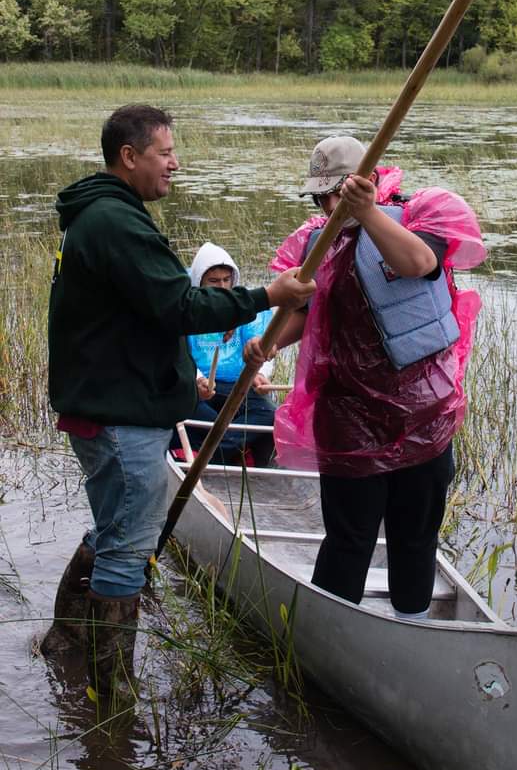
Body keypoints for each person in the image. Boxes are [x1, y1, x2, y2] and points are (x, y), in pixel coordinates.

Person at [41, 104, 314, 699]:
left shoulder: (101, 214)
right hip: (122, 414)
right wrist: (268, 294)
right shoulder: (115, 222)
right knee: (128, 551)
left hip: (105, 405)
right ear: (129, 156)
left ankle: (63, 643)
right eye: (165, 152)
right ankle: (111, 698)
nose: (175, 163)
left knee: (113, 530)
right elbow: (182, 307)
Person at [245, 135, 485, 621]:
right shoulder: (313, 245)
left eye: (342, 192)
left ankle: (414, 628)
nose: (332, 206)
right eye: (324, 197)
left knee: (414, 534)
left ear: (370, 181)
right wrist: (268, 344)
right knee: (350, 537)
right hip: (348, 417)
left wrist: (368, 212)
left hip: (422, 415)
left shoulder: (424, 215)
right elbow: (303, 314)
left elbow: (419, 264)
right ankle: (330, 631)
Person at [177, 241, 277, 466]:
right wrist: (199, 380)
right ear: (199, 281)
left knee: (269, 416)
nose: (222, 287)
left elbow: (259, 340)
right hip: (199, 389)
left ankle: (210, 455)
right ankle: (234, 449)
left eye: (226, 280)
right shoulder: (187, 308)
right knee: (184, 410)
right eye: (213, 281)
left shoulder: (244, 306)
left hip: (237, 386)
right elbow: (178, 354)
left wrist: (258, 370)